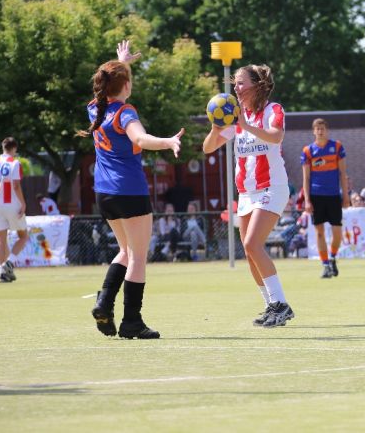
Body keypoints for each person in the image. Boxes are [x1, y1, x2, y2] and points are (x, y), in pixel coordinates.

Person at [83, 40, 184, 339]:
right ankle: (132, 322)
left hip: (104, 193)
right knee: (138, 256)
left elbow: (111, 83)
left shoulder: (95, 108)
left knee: (126, 251)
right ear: (125, 85)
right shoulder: (124, 112)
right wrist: (167, 141)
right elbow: (140, 138)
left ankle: (104, 303)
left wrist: (122, 63)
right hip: (129, 190)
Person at [203, 63, 295, 328]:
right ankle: (270, 305)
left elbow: (276, 136)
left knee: (254, 244)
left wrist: (245, 125)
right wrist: (216, 127)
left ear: (258, 85)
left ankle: (281, 305)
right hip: (246, 193)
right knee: (249, 251)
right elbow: (208, 148)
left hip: (272, 187)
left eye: (241, 83)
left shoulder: (272, 110)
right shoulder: (236, 115)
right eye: (235, 83)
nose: (236, 88)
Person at [300, 118, 349, 279]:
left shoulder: (337, 147)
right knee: (319, 232)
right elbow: (306, 178)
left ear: (327, 130)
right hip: (316, 196)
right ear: (313, 131)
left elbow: (343, 174)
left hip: (334, 195)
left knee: (337, 232)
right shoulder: (308, 151)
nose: (320, 131)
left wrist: (346, 195)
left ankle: (333, 257)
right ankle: (326, 265)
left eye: (322, 128)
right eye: (317, 129)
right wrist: (307, 200)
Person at [0, 137, 29, 283]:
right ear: (14, 148)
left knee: (1, 240)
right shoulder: (15, 163)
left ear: (3, 147)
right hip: (12, 205)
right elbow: (16, 185)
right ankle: (9, 262)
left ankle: (2, 272)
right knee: (23, 236)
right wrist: (23, 203)